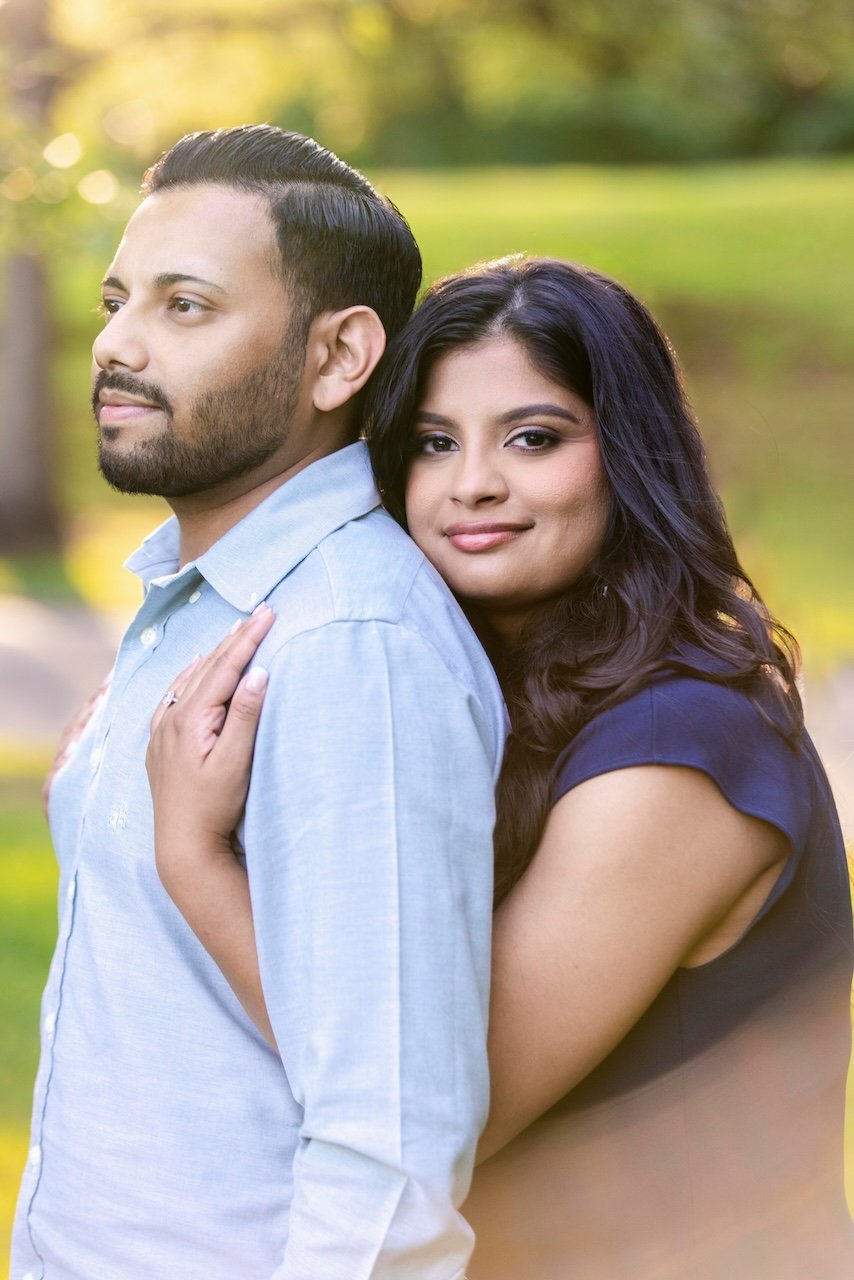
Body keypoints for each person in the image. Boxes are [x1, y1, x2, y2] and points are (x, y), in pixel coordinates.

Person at [147, 256, 854, 1279]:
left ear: (629, 454)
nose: (473, 481)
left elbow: (438, 1105)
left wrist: (192, 858)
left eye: (532, 437)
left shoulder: (684, 744)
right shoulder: (470, 697)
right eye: (433, 443)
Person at [12, 126, 506, 1280]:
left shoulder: (348, 642)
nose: (117, 345)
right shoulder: (200, 597)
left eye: (185, 307)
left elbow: (389, 1163)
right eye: (116, 299)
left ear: (338, 357)